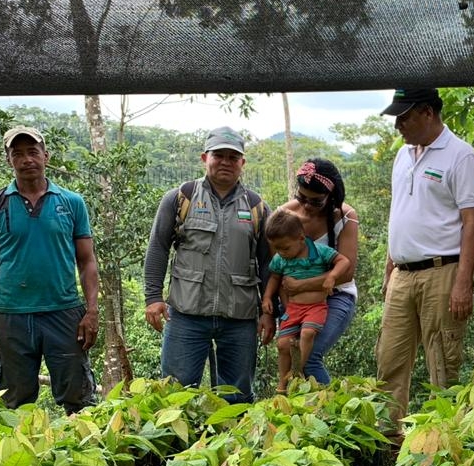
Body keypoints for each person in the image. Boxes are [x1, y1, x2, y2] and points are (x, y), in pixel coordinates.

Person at [376, 88, 474, 428]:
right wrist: (390, 266)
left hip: (443, 271)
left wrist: (464, 283)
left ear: (427, 112)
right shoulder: (403, 155)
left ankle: (443, 449)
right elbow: (400, 212)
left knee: (442, 362)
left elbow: (473, 222)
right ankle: (390, 448)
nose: (398, 125)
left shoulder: (460, 156)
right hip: (403, 274)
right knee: (389, 360)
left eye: (404, 116)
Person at [142, 127, 272, 403]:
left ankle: (234, 446)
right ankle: (178, 447)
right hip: (186, 315)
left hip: (240, 318)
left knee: (236, 399)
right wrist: (153, 298)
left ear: (242, 163)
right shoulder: (180, 198)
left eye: (233, 157)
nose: (225, 162)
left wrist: (270, 312)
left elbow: (268, 264)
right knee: (175, 396)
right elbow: (157, 249)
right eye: (218, 155)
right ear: (204, 158)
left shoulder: (257, 207)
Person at [0, 125, 98, 413]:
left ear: (46, 156)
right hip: (9, 316)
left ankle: (83, 455)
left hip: (63, 312)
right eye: (18, 154)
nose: (26, 159)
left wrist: (91, 311)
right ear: (8, 160)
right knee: (12, 402)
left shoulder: (71, 203)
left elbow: (87, 260)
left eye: (33, 152)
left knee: (79, 400)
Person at [276, 159, 360, 384]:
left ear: (330, 197)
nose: (307, 206)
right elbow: (275, 268)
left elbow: (347, 272)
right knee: (287, 352)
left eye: (316, 201)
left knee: (309, 358)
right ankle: (293, 412)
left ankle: (331, 416)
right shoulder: (284, 215)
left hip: (337, 295)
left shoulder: (345, 217)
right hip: (295, 301)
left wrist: (301, 285)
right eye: (302, 197)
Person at [261, 210, 352, 392]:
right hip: (293, 308)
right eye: (277, 249)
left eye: (285, 248)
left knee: (308, 333)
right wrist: (267, 298)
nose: (281, 253)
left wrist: (332, 276)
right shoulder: (281, 259)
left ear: (301, 238)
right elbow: (274, 277)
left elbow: (344, 261)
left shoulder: (319, 251)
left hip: (316, 307)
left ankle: (297, 370)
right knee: (282, 344)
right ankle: (282, 383)